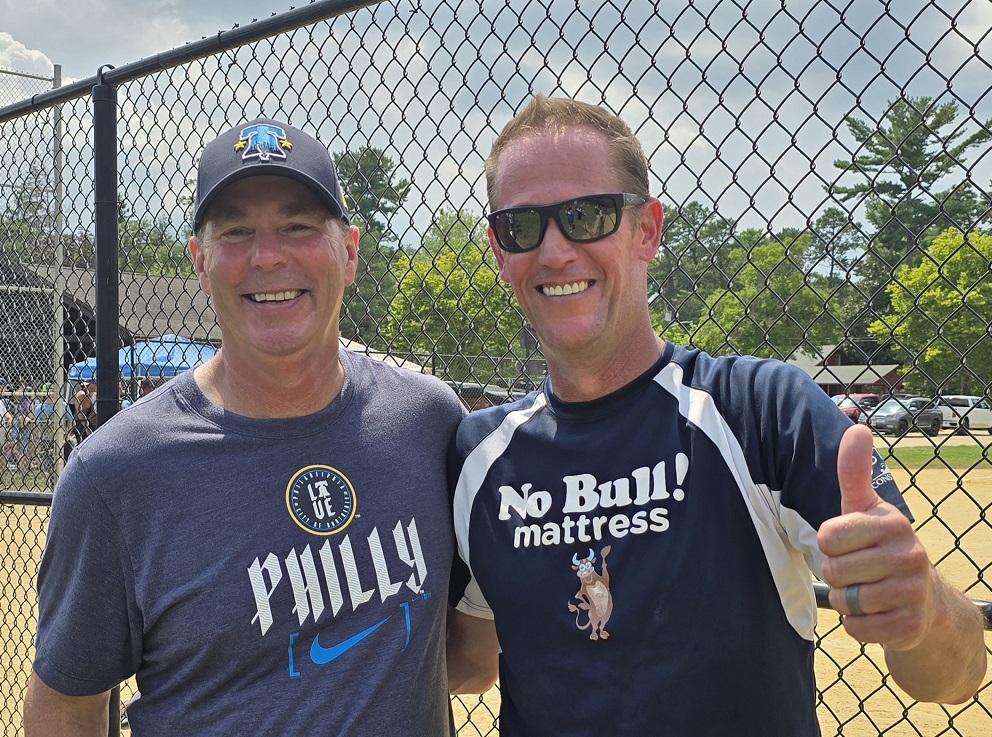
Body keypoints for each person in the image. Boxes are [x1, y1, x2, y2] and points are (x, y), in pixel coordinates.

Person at [445, 96, 987, 735]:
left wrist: (926, 611)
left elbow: (955, 678)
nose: (556, 251)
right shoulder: (478, 455)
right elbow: (469, 661)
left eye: (586, 216)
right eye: (522, 227)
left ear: (647, 230)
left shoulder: (762, 410)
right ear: (499, 251)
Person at [24, 117, 466, 736]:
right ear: (201, 264)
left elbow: (466, 657)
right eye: (235, 233)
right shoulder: (115, 474)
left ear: (349, 252)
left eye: (298, 226)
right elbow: (65, 710)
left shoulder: (430, 421)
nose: (268, 256)